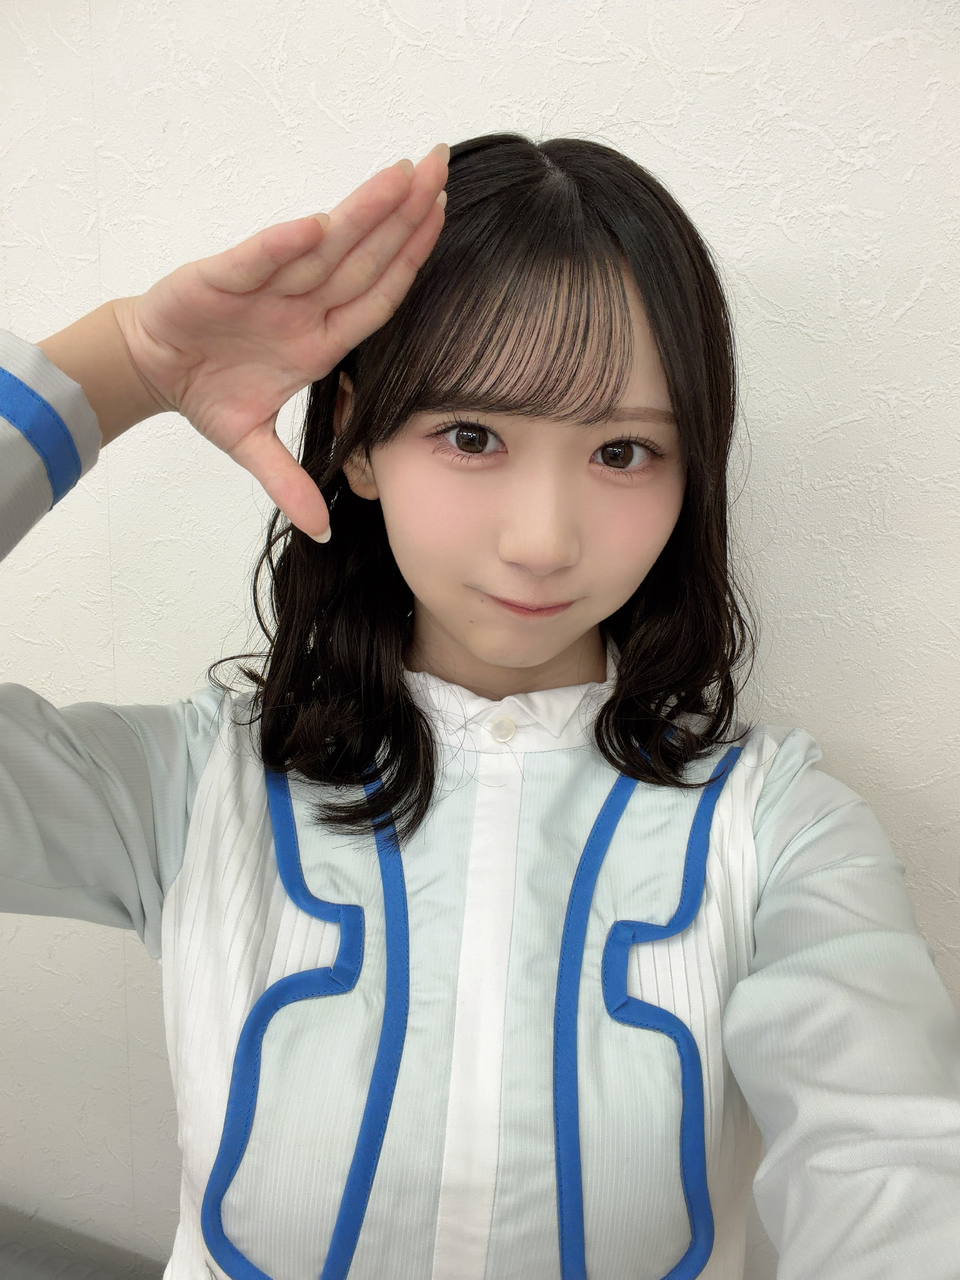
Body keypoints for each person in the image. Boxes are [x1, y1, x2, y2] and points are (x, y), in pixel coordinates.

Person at [1, 133, 958, 1280]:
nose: (542, 539)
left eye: (623, 451)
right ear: (357, 440)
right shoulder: (187, 788)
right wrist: (120, 366)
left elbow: (892, 1156)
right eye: (472, 435)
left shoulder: (780, 831)